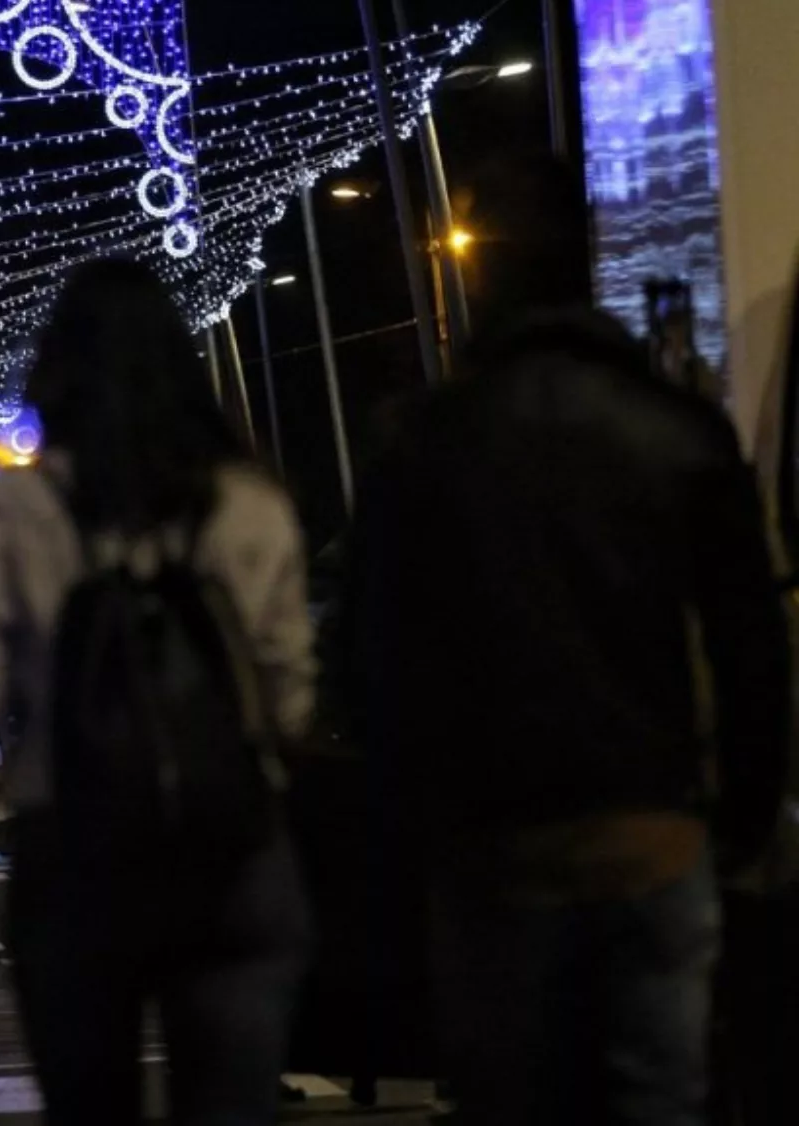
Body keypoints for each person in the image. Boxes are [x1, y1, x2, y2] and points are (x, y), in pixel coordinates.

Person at [343, 159, 792, 1125]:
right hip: (652, 827)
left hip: (493, 841)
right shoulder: (673, 429)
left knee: (513, 1095)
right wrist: (741, 826)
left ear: (478, 277)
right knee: (661, 1093)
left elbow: (374, 664)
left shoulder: (422, 443)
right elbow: (750, 646)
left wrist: (403, 841)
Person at [0, 257, 317, 1125]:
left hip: (73, 839)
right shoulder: (249, 504)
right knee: (230, 1101)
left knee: (89, 1103)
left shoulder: (7, 514)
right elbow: (289, 694)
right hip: (229, 840)